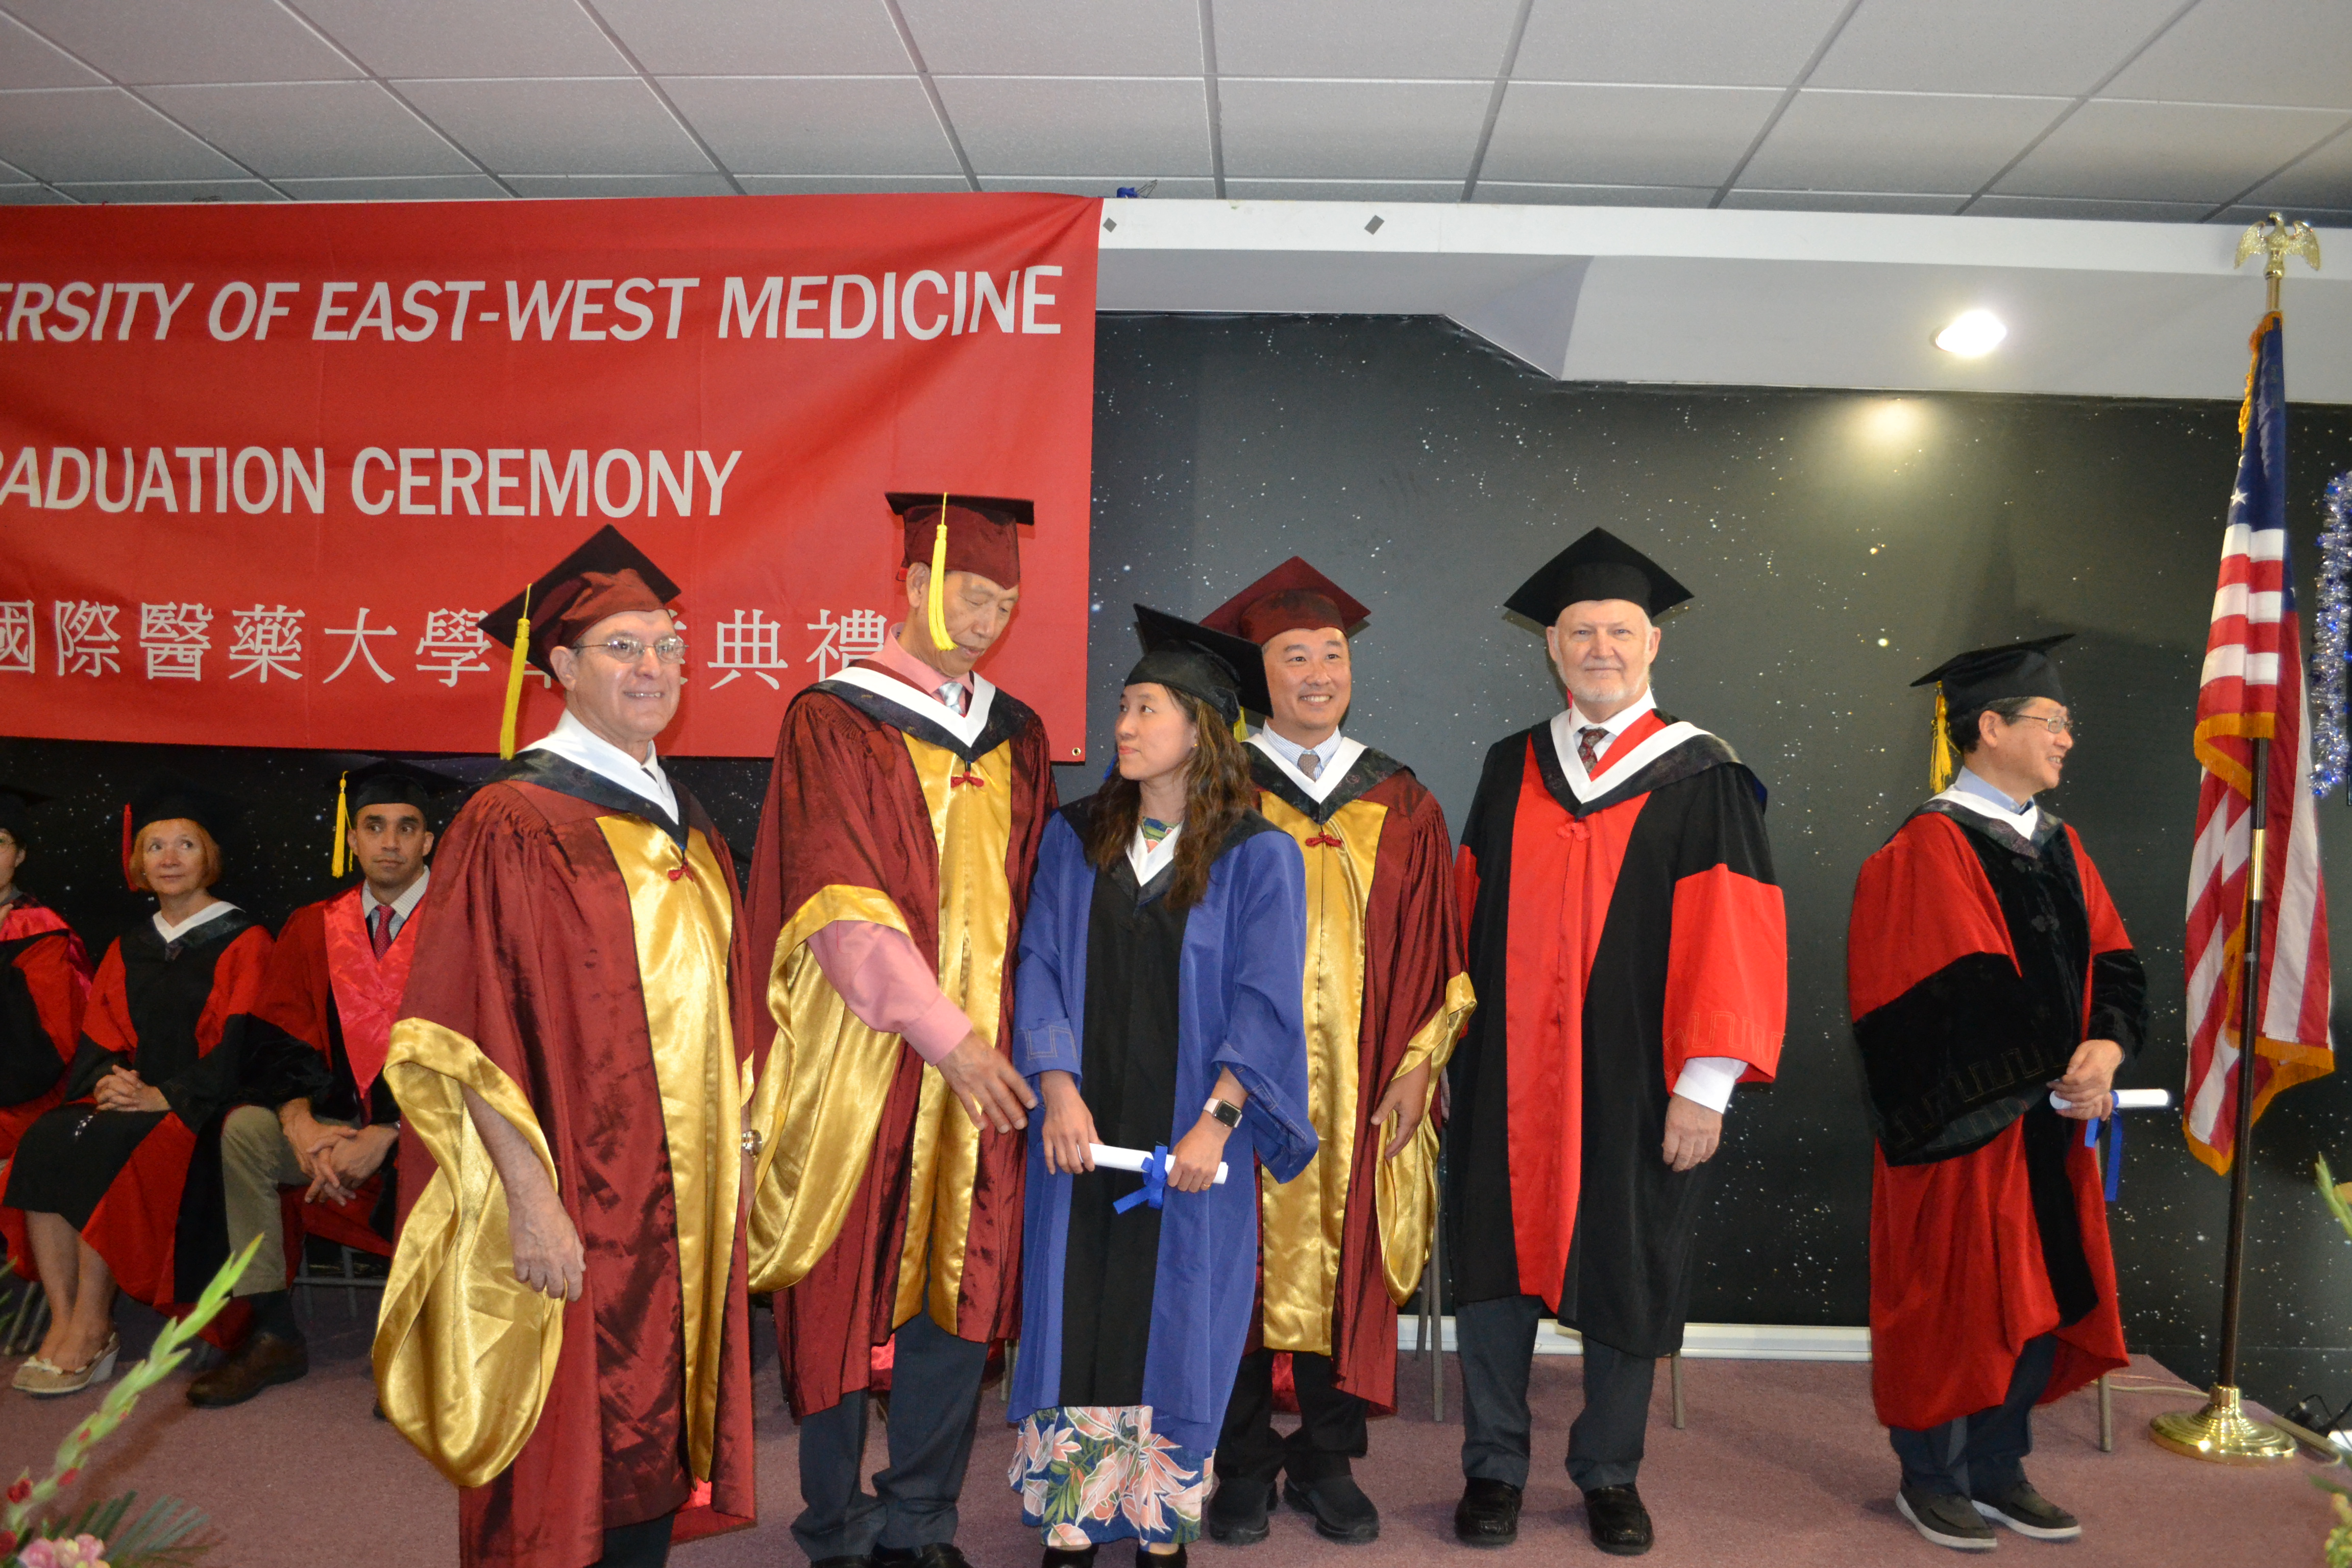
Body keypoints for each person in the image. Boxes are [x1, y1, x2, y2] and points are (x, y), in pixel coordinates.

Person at [373, 526, 755, 1568]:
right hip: (575, 1190)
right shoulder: (511, 818)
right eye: (623, 647)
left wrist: (742, 1140)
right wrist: (530, 1201)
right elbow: (466, 1026)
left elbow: (725, 1005)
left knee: (652, 1428)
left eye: (668, 646)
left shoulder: (689, 822)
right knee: (566, 1438)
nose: (654, 666)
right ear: (561, 668)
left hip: (678, 1197)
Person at [1448, 528, 1786, 1556]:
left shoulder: (1702, 773)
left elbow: (1736, 931)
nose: (1601, 648)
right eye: (1581, 632)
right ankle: (1493, 1465)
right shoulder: (1511, 765)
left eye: (1621, 632)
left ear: (1652, 646)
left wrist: (1705, 1083)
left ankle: (1608, 1471)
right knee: (1493, 1266)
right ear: (1552, 645)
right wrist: (1442, 1052)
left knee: (1628, 1263)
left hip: (1637, 1075)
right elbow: (1463, 916)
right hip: (1506, 1071)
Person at [743, 493, 1056, 1568]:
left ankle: (920, 1518)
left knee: (959, 1283)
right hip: (864, 1056)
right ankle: (833, 1521)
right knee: (840, 1284)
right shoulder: (835, 718)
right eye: (970, 593)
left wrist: (1013, 1047)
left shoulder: (1018, 735)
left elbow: (1038, 900)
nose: (985, 619)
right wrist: (945, 1034)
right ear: (915, 584)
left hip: (986, 1064)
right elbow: (837, 898)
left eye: (1004, 602)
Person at [1006, 604, 1316, 1566]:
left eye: (1146, 708)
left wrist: (1217, 1123)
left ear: (1201, 728)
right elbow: (1039, 962)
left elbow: (1266, 1001)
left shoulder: (1258, 855)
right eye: (1124, 707)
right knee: (1076, 1307)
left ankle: (1155, 1523)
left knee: (1179, 1321)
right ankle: (1071, 1516)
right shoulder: (1076, 837)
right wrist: (1056, 1087)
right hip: (1083, 1128)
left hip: (1190, 1140)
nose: (1124, 725)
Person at [1193, 560, 1474, 1545]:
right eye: (1292, 656)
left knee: (1348, 1259)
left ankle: (1324, 1458)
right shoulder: (1213, 788)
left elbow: (1439, 950)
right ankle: (1240, 1461)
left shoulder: (1401, 798)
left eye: (1330, 654)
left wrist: (1418, 1068)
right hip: (1235, 1082)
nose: (1316, 673)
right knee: (1232, 1262)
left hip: (1363, 1085)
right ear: (1256, 674)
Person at [1848, 637, 2141, 1552]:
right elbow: (1946, 995)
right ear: (1989, 727)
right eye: (2052, 721)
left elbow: (2115, 961)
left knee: (2039, 1291)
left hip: (2046, 1122)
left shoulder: (2060, 845)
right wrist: (2060, 1072)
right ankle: (1931, 1474)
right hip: (1962, 1129)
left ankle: (1997, 1464)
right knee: (1958, 1304)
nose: (2066, 739)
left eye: (2064, 723)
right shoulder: (1925, 847)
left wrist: (2106, 1048)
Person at [189, 759, 459, 1409]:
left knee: (455, 1151)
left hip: (433, 1128)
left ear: (428, 841)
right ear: (354, 838)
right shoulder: (315, 925)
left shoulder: (463, 924)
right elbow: (278, 1031)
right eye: (374, 827)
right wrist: (299, 1120)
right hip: (330, 1125)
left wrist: (391, 1132)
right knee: (244, 1132)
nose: (389, 842)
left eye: (406, 827)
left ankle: (421, 1339)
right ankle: (273, 1334)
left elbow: (483, 1048)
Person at [5, 778, 272, 1398]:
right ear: (139, 863)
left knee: (106, 1145)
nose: (169, 858)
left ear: (209, 857)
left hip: (204, 1112)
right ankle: (63, 1318)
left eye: (185, 845)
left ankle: (93, 1326)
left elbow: (245, 1045)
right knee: (45, 1139)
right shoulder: (131, 945)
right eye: (155, 846)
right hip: (133, 1102)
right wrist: (110, 1081)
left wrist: (163, 1096)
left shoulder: (245, 940)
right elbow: (100, 1035)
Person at [0, 784, 96, 1279]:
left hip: (26, 1098)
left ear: (20, 855)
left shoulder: (40, 933)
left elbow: (51, 1047)